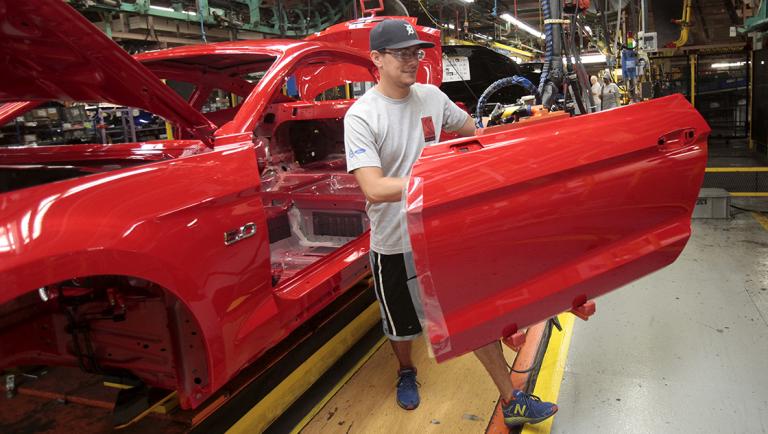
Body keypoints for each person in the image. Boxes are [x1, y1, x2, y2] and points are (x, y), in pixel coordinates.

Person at [343, 19, 558, 428]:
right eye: (402, 53)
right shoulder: (361, 116)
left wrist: (523, 130)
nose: (412, 61)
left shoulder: (431, 97)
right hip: (394, 241)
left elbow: (474, 134)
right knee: (402, 327)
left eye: (416, 53)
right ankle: (406, 369)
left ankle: (511, 398)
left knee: (468, 316)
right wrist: (441, 180)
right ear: (376, 59)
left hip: (441, 234)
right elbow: (373, 187)